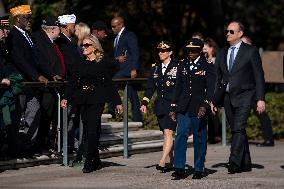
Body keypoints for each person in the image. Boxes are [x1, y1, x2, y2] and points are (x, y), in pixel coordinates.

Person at [61, 35, 123, 173]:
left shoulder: (102, 63)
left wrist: (117, 102)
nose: (84, 48)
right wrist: (66, 97)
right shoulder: (80, 62)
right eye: (82, 45)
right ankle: (97, 160)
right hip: (83, 99)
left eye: (87, 45)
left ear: (94, 47)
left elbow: (109, 83)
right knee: (89, 128)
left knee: (92, 129)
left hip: (97, 99)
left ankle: (88, 161)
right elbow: (72, 81)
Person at [212, 21, 266, 174]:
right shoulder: (222, 52)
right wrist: (214, 100)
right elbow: (218, 78)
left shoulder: (251, 51)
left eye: (231, 31)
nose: (227, 34)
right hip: (228, 97)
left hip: (246, 95)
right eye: (226, 31)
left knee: (238, 128)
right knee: (238, 130)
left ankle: (234, 162)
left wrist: (260, 98)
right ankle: (246, 162)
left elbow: (259, 77)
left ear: (240, 34)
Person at [6, 5, 57, 156]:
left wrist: (50, 74)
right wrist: (37, 76)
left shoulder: (27, 35)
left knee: (34, 112)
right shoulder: (12, 35)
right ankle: (14, 149)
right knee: (17, 117)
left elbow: (38, 58)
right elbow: (19, 60)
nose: (29, 21)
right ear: (17, 19)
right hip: (21, 83)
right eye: (26, 18)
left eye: (29, 18)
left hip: (31, 84)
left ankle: (27, 146)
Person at [170, 38, 216, 179]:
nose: (190, 53)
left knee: (199, 137)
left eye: (194, 50)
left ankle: (198, 168)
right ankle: (179, 168)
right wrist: (173, 106)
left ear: (200, 50)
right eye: (188, 50)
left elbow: (211, 88)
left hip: (198, 107)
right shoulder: (182, 64)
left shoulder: (207, 65)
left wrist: (205, 105)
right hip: (183, 107)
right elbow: (178, 87)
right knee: (180, 135)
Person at [140, 41, 177, 172]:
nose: (160, 53)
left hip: (173, 106)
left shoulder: (177, 66)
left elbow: (181, 87)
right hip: (160, 106)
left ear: (170, 52)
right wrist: (144, 102)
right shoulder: (155, 68)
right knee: (166, 134)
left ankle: (162, 162)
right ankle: (173, 161)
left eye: (164, 51)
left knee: (168, 132)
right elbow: (150, 88)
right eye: (159, 51)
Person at [32, 16, 65, 152]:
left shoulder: (50, 41)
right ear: (52, 29)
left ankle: (48, 143)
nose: (61, 31)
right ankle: (40, 144)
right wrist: (52, 75)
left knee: (51, 116)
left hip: (55, 86)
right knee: (45, 117)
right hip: (47, 86)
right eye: (59, 28)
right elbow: (42, 61)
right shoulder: (40, 39)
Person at [241, 35, 274, 147]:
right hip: (245, 92)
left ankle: (269, 139)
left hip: (254, 91)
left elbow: (259, 76)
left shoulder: (252, 55)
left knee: (261, 114)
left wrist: (260, 98)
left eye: (244, 43)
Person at [110, 16, 142, 122]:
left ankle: (111, 111)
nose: (112, 29)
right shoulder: (117, 37)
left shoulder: (129, 35)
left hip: (127, 69)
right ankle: (137, 118)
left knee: (112, 83)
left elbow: (135, 52)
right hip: (120, 68)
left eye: (114, 26)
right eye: (111, 27)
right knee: (132, 94)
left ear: (121, 25)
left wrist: (134, 68)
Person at [203, 37, 221, 144]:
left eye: (207, 47)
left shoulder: (216, 61)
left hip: (213, 89)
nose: (204, 49)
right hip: (204, 89)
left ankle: (216, 135)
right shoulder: (203, 61)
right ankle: (210, 136)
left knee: (213, 113)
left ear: (212, 48)